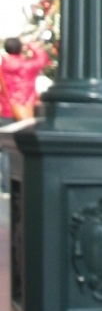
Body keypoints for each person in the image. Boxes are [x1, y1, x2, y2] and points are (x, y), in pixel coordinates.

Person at [0, 36, 49, 193]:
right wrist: (30, 43)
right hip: (25, 112)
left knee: (5, 149)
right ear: (19, 49)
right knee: (23, 148)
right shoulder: (27, 67)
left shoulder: (2, 66)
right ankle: (22, 182)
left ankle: (6, 185)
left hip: (5, 111)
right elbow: (42, 58)